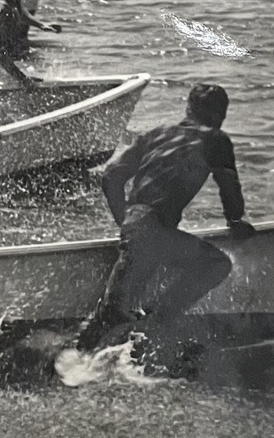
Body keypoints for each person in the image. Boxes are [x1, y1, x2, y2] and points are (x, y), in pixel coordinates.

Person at [72, 84, 256, 354]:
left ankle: (70, 364)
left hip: (137, 227)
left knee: (109, 315)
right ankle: (156, 321)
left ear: (188, 109)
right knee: (216, 265)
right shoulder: (215, 140)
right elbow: (229, 188)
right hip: (153, 232)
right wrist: (236, 222)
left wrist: (126, 223)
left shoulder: (155, 134)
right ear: (220, 114)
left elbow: (111, 175)